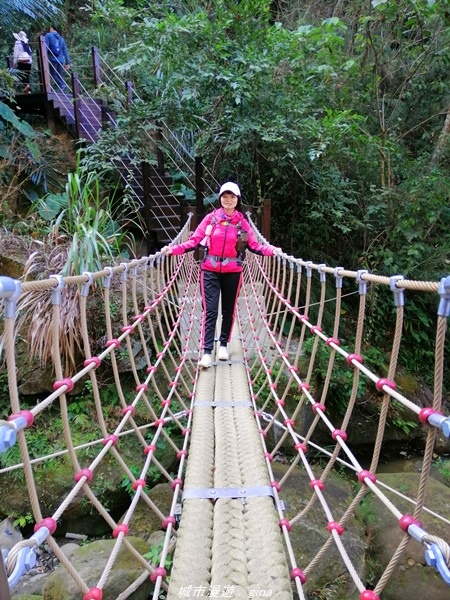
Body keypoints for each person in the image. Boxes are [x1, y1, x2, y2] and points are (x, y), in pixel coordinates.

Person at [163, 182, 281, 368]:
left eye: (232, 197)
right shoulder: (211, 220)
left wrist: (272, 251)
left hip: (233, 272)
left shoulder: (242, 223)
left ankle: (224, 345)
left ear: (237, 199)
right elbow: (195, 241)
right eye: (225, 196)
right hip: (209, 270)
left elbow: (254, 246)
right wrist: (174, 250)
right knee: (210, 311)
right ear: (220, 199)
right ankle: (207, 352)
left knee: (228, 311)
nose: (228, 200)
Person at [44, 25, 70, 92]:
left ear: (52, 28)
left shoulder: (48, 35)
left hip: (53, 59)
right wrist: (68, 62)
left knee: (53, 74)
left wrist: (43, 56)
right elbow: (65, 51)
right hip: (61, 60)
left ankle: (62, 85)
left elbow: (45, 47)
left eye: (50, 28)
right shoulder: (61, 39)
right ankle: (62, 89)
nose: (49, 29)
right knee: (60, 75)